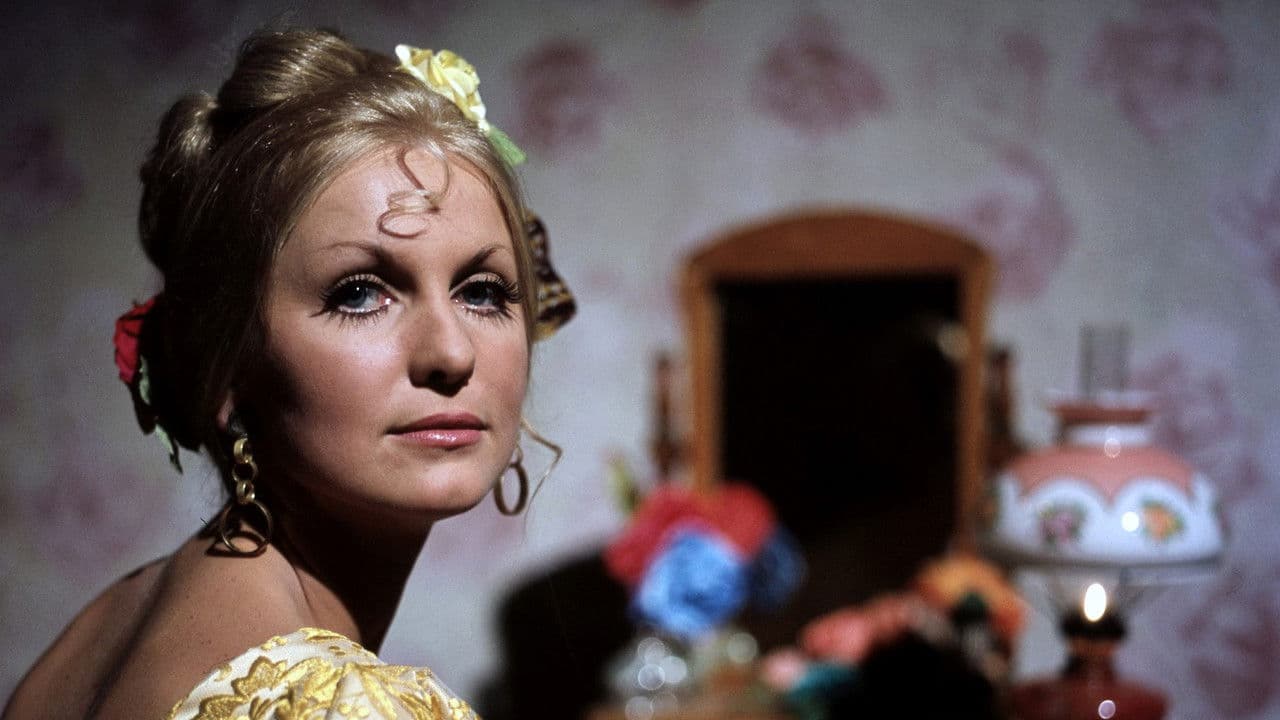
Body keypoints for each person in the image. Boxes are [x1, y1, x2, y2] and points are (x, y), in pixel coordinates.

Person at [2, 27, 573, 720]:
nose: (452, 354)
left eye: (482, 291)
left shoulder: (96, 638)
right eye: (358, 294)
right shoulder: (335, 706)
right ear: (223, 361)